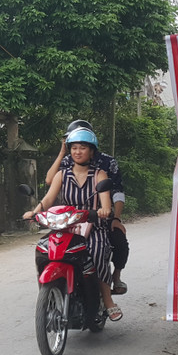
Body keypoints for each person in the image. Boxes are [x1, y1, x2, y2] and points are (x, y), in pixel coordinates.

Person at [24, 127, 122, 321]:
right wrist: (34, 212)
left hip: (93, 225)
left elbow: (105, 203)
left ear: (91, 151)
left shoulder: (100, 175)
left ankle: (107, 299)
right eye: (74, 148)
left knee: (97, 253)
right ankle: (52, 291)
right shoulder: (62, 175)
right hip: (66, 225)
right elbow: (48, 199)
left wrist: (104, 210)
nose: (78, 152)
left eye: (83, 148)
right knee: (46, 249)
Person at [45, 119, 130, 295]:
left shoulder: (107, 163)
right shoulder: (67, 160)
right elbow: (50, 182)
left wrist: (115, 217)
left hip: (99, 215)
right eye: (73, 144)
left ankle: (115, 277)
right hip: (71, 218)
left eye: (82, 146)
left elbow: (117, 191)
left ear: (91, 146)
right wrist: (62, 153)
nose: (77, 151)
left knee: (118, 242)